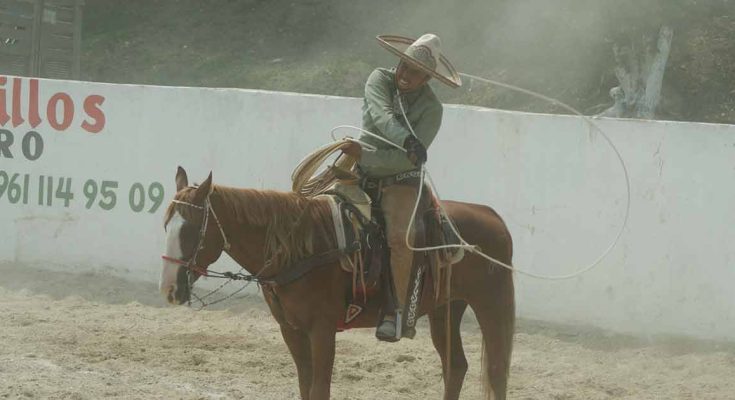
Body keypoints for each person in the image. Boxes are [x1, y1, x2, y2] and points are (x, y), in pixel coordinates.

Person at [342, 33, 461, 342]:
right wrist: (406, 140)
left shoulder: (432, 109)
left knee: (399, 237)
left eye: (415, 73)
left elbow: (407, 163)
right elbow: (380, 116)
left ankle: (396, 313)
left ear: (427, 79)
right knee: (317, 210)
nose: (406, 76)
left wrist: (367, 155)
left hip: (400, 180)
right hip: (360, 167)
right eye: (404, 67)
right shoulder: (378, 79)